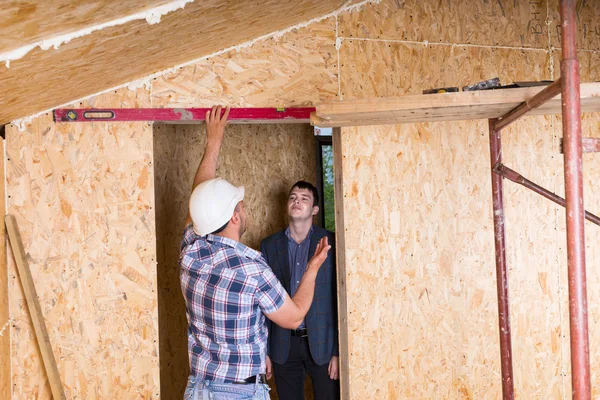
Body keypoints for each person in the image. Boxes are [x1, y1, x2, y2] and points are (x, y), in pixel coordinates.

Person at [179, 106, 331, 400]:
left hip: (198, 388)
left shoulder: (191, 251)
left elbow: (200, 202)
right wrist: (313, 267)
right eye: (241, 205)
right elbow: (294, 316)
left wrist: (213, 142)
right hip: (238, 392)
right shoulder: (252, 267)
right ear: (235, 217)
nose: (244, 209)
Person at [260, 181, 339, 400]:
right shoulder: (269, 245)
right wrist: (264, 352)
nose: (297, 201)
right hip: (283, 345)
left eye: (304, 198)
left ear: (314, 210)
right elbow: (263, 303)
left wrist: (337, 352)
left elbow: (339, 300)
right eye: (293, 197)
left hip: (323, 344)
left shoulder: (331, 242)